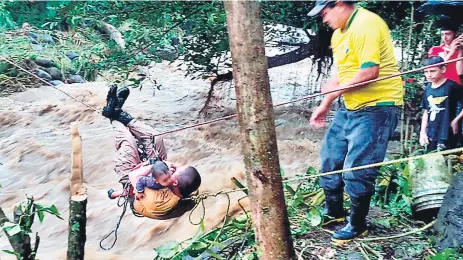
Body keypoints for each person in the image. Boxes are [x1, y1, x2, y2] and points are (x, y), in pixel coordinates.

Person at [307, 0, 403, 244]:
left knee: (357, 170)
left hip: (378, 107)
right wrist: (325, 104)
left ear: (340, 4)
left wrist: (335, 92)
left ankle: (358, 224)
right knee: (330, 160)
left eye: (325, 13)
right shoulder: (339, 35)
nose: (324, 20)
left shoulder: (366, 23)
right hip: (350, 107)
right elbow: (342, 74)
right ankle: (334, 213)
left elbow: (370, 71)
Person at [102, 85, 201, 219]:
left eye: (175, 171)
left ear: (175, 182)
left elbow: (134, 176)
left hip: (133, 181)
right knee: (155, 138)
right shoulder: (180, 188)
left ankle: (113, 118)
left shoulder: (158, 200)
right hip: (155, 177)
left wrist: (151, 164)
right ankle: (118, 113)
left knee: (128, 141)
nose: (174, 167)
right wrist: (162, 165)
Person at [419, 56, 463, 152]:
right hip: (432, 132)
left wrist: (456, 120)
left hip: (448, 132)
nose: (429, 75)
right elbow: (426, 111)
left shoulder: (452, 86)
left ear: (443, 69)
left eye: (432, 71)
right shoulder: (427, 89)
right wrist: (422, 132)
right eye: (426, 72)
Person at [108, 160, 177, 200]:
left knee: (160, 165)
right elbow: (140, 180)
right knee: (130, 191)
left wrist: (173, 168)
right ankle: (112, 194)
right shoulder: (152, 182)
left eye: (170, 177)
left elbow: (169, 169)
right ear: (157, 181)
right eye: (165, 181)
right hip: (142, 178)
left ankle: (145, 163)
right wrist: (139, 191)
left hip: (155, 166)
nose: (169, 181)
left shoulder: (169, 173)